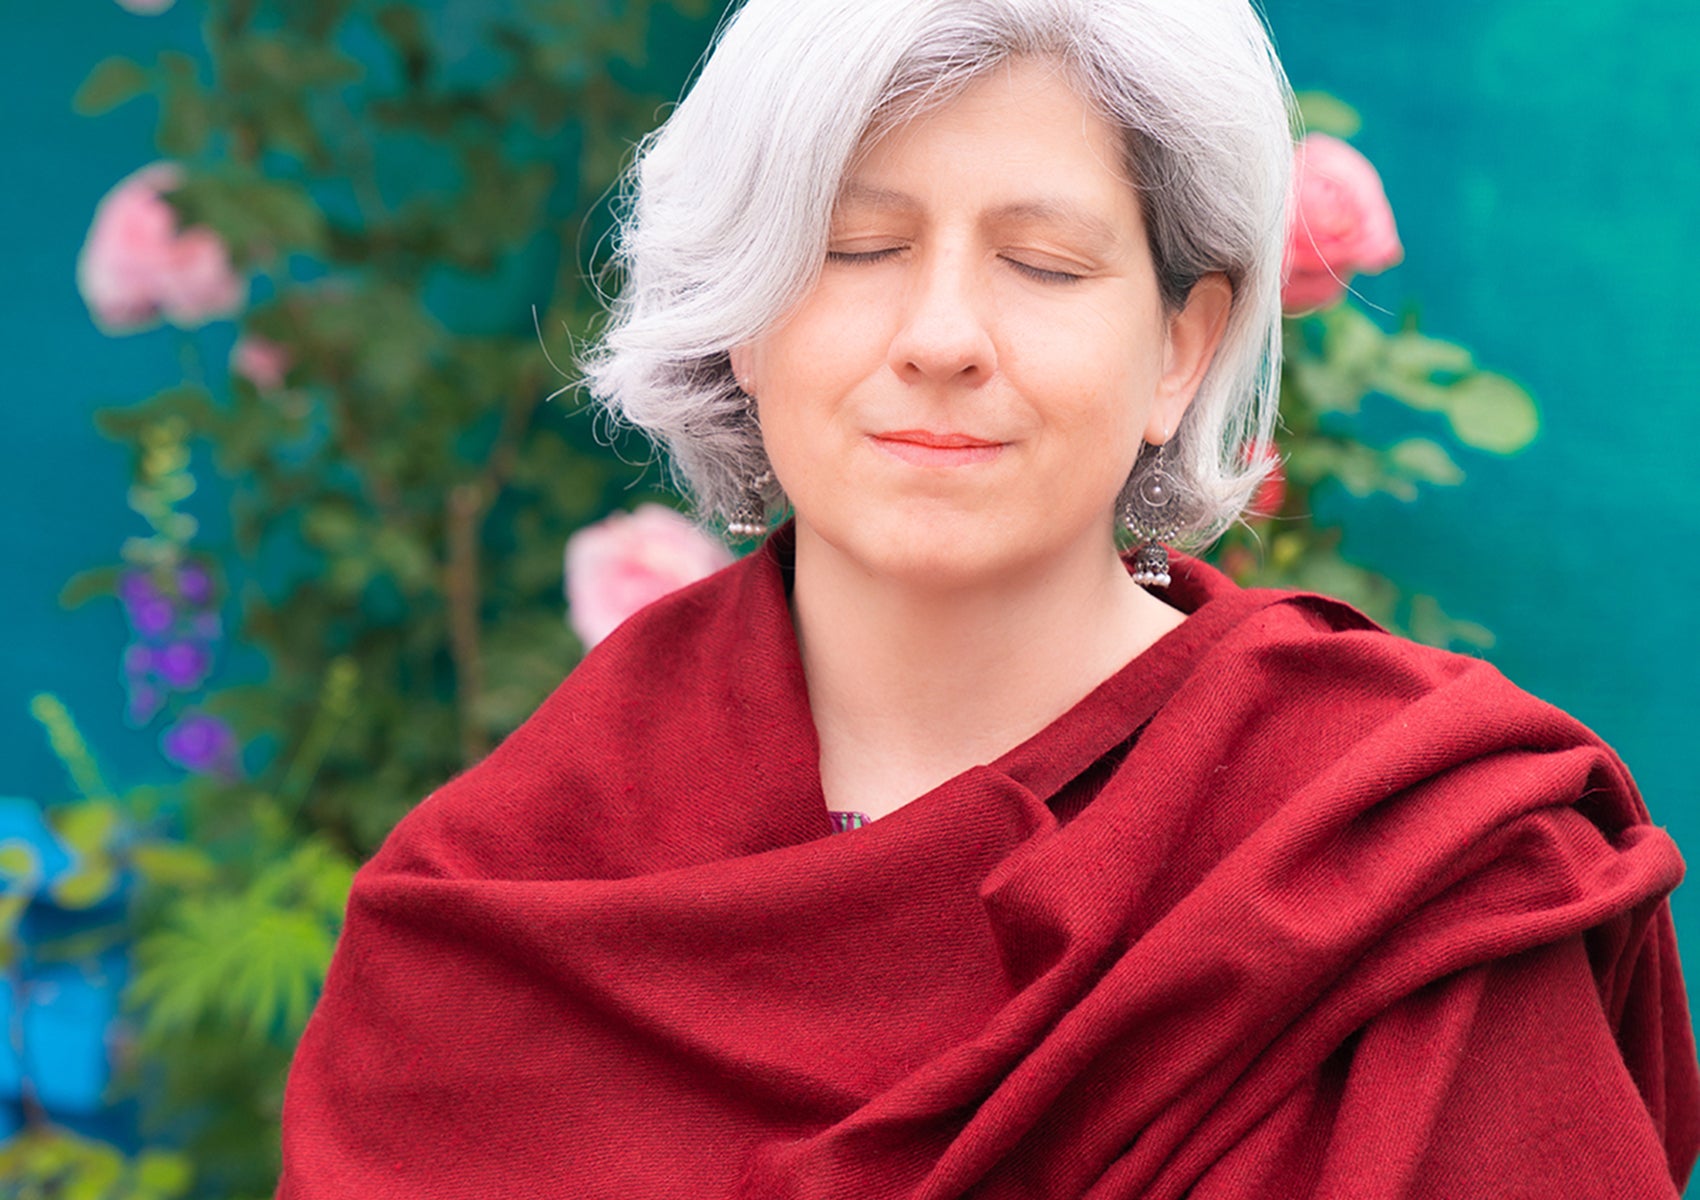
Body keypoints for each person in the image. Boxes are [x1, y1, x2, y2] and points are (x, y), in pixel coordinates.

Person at [275, 0, 1700, 1195]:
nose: (943, 336)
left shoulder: (1398, 866)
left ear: (1180, 353)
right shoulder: (510, 898)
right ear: (744, 322)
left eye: (1044, 263)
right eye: (855, 248)